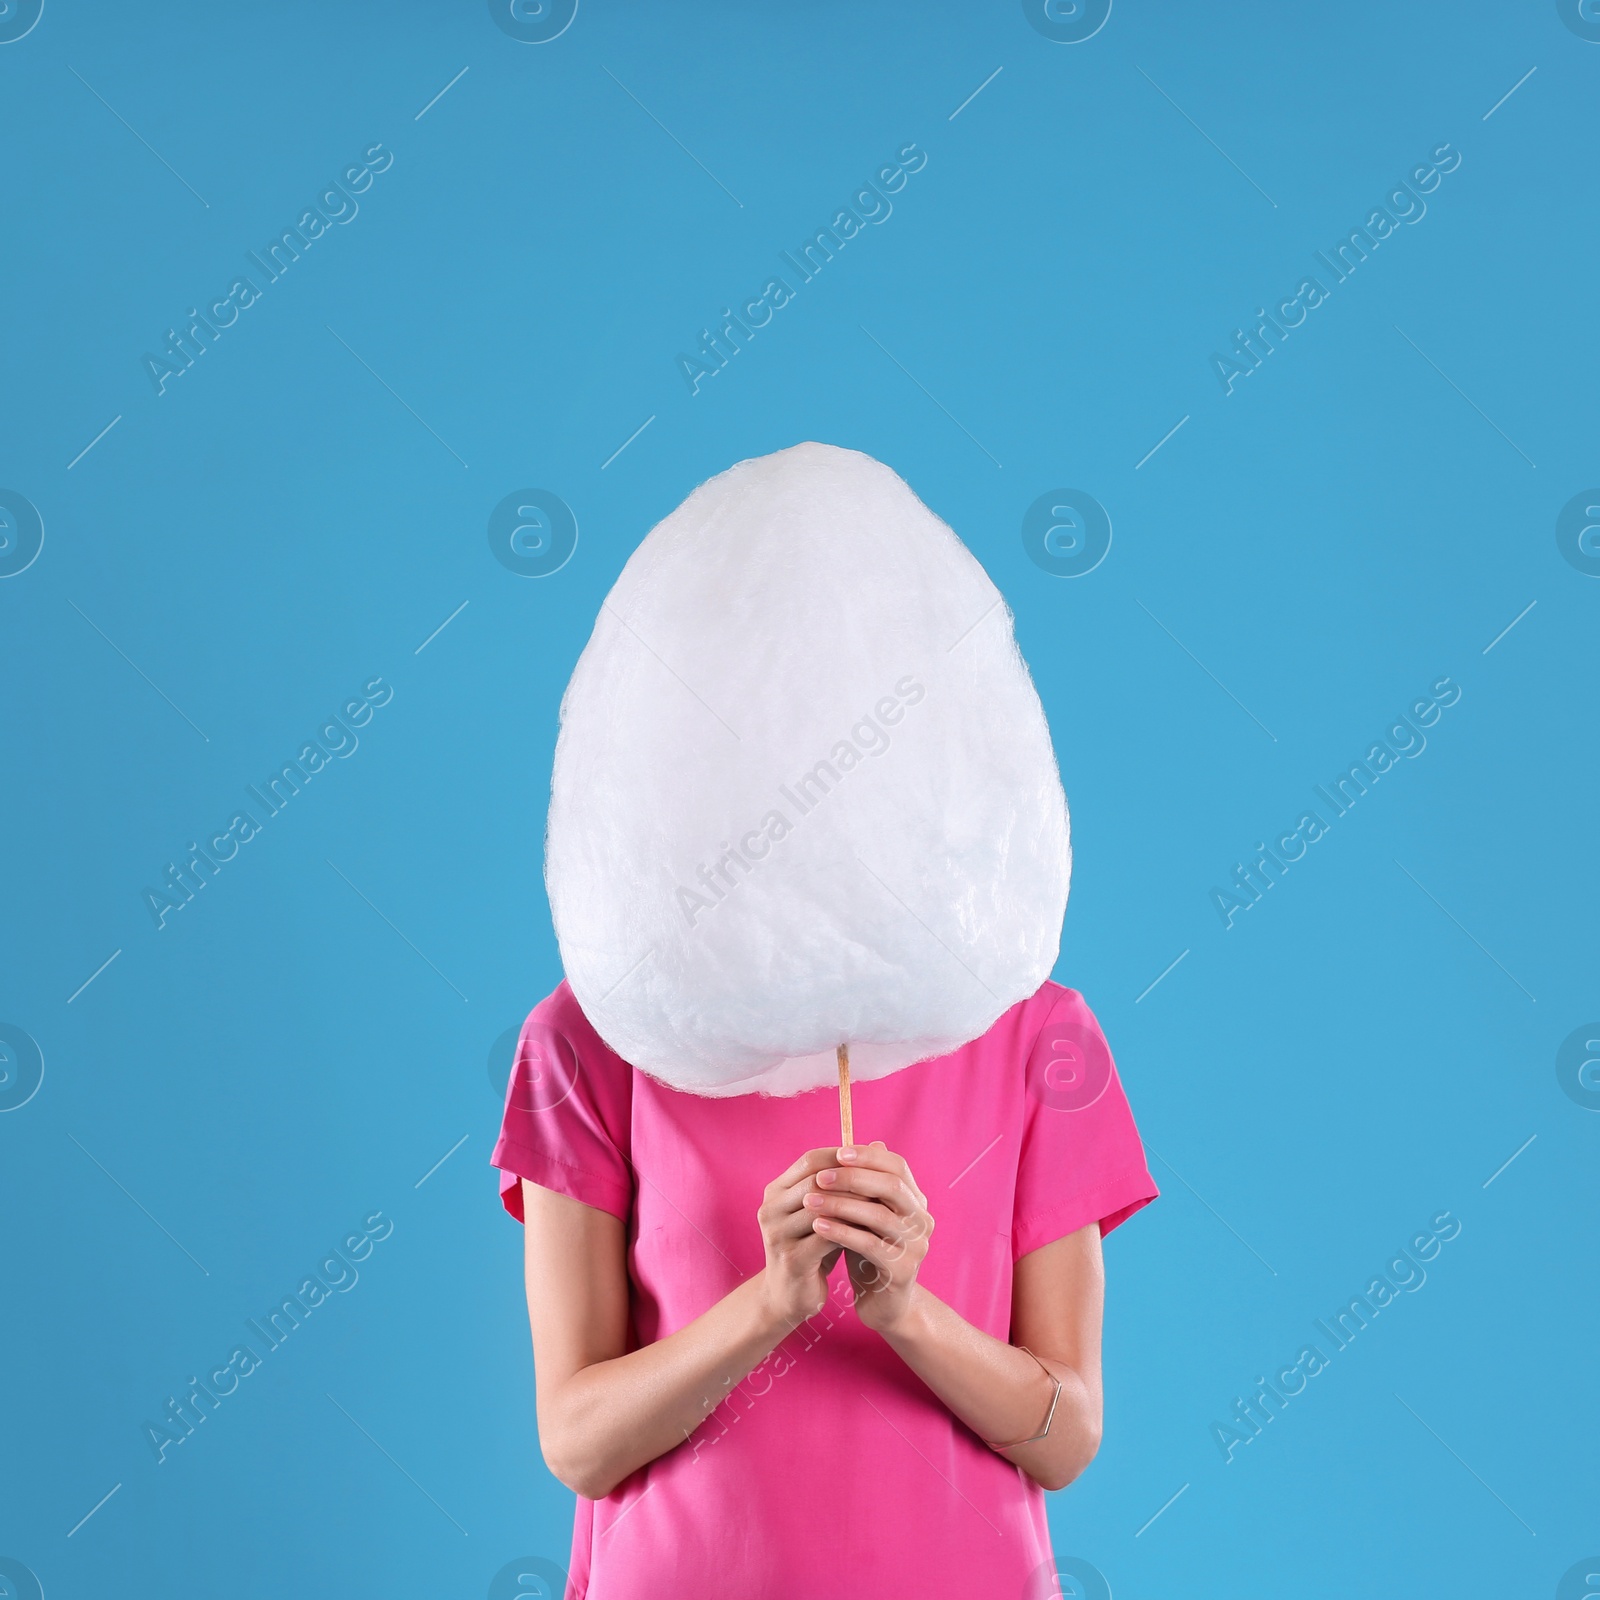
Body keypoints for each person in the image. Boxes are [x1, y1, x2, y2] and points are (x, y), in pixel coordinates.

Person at [492, 975, 1157, 1599]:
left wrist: (907, 1314)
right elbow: (578, 1444)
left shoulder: (1041, 1033)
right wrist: (771, 1304)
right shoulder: (594, 1033)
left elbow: (1066, 1443)